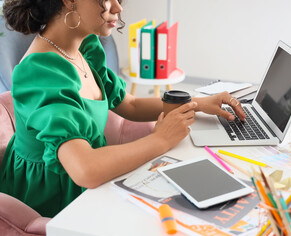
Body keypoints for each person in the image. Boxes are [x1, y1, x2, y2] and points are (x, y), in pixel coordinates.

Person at [0, 0, 246, 218]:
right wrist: (161, 139)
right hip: (52, 195)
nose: (118, 8)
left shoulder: (84, 47)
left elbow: (131, 104)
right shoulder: (41, 72)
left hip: (92, 172)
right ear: (69, 1)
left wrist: (199, 102)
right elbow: (85, 169)